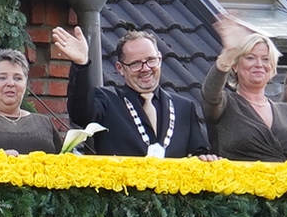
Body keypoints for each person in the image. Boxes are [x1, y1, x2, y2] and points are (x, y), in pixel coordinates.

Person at [53, 24, 204, 157]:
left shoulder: (185, 108)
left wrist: (206, 158)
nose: (146, 68)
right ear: (120, 68)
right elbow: (80, 113)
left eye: (151, 60)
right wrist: (81, 63)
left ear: (160, 59)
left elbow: (199, 154)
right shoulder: (107, 101)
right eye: (135, 64)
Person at [201, 26, 287, 162]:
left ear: (272, 67)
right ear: (235, 66)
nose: (259, 64)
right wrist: (228, 55)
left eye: (265, 59)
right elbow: (210, 94)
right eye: (250, 58)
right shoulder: (226, 104)